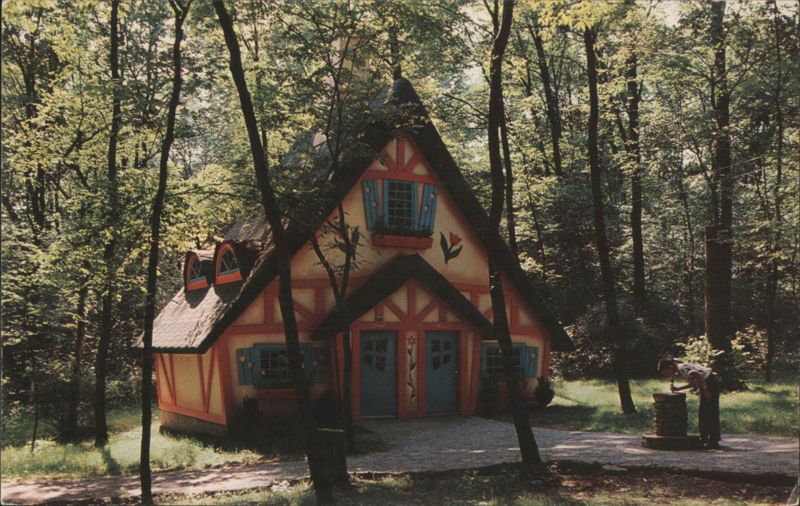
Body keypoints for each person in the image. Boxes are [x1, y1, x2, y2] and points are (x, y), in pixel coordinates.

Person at [657, 358, 721, 449]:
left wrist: (705, 390)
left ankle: (712, 441)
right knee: (704, 412)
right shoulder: (682, 369)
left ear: (671, 367)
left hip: (710, 382)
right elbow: (694, 383)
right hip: (707, 383)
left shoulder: (682, 368)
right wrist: (679, 389)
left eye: (666, 372)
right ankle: (706, 439)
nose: (667, 375)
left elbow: (698, 375)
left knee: (709, 412)